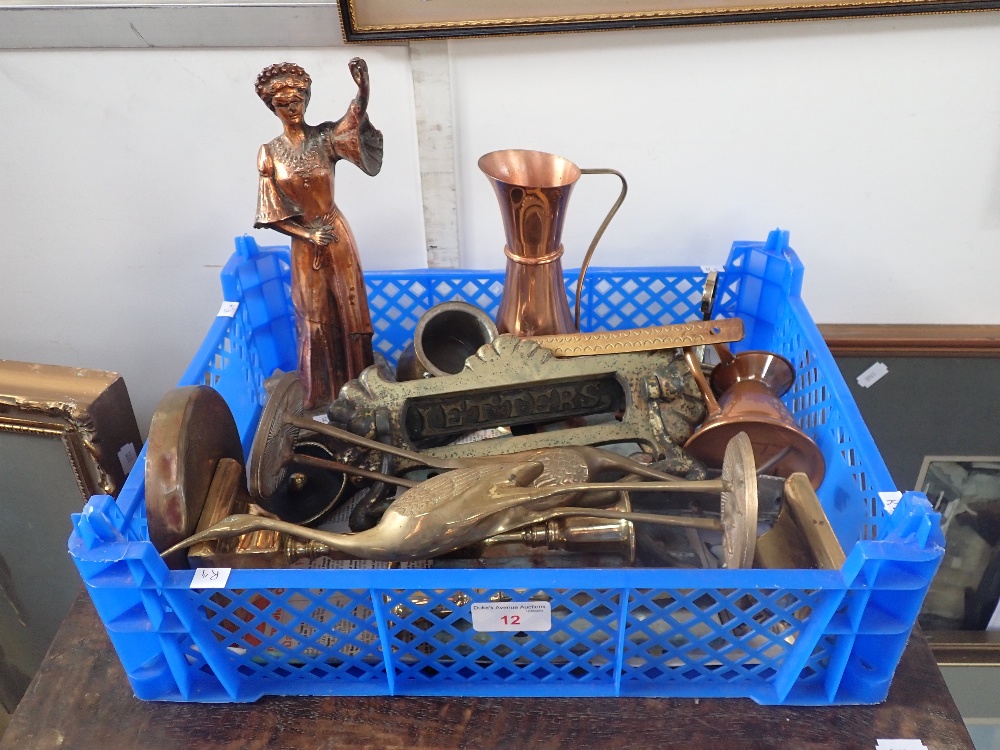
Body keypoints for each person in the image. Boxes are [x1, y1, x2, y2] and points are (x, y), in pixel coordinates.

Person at [254, 59, 383, 409]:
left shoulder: (325, 138)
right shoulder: (269, 154)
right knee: (313, 318)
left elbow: (352, 123)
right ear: (272, 106)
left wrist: (363, 90)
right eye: (283, 104)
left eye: (297, 100)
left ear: (306, 100)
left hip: (337, 236)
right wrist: (309, 235)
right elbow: (269, 216)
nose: (291, 108)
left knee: (351, 310)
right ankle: (319, 396)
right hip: (305, 242)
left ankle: (362, 388)